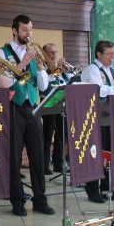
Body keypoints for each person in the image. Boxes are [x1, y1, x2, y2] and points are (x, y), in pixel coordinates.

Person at [0, 15, 55, 217]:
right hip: (13, 107)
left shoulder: (34, 54)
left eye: (30, 30)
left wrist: (41, 70)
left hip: (32, 107)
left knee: (38, 156)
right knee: (13, 156)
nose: (28, 34)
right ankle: (17, 200)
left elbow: (43, 86)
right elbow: (3, 83)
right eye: (24, 30)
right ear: (14, 30)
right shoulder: (1, 53)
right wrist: (23, 62)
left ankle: (40, 199)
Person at [80, 40, 114, 204]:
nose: (112, 57)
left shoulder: (113, 70)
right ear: (99, 54)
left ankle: (107, 188)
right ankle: (92, 190)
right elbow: (98, 90)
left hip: (110, 116)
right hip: (96, 117)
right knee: (96, 154)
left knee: (110, 153)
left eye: (113, 54)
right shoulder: (92, 69)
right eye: (108, 54)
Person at [41, 43, 72, 174]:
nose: (54, 55)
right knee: (47, 135)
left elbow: (70, 81)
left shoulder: (60, 69)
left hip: (61, 104)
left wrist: (67, 71)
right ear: (45, 54)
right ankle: (44, 165)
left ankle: (58, 163)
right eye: (51, 53)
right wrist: (57, 69)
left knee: (62, 134)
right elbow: (43, 85)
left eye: (55, 52)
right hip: (48, 103)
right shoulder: (43, 67)